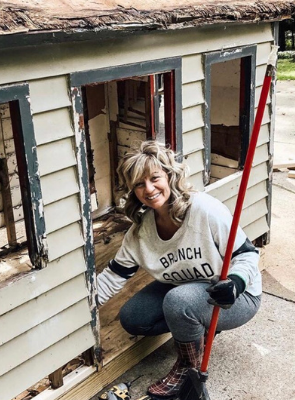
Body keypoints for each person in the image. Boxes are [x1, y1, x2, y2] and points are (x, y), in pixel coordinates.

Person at [97, 140, 262, 398]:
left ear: (170, 176)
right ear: (132, 190)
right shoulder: (140, 232)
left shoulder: (204, 210)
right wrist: (80, 311)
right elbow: (115, 275)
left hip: (236, 296)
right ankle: (199, 327)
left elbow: (248, 255)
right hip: (186, 289)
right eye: (139, 184)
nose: (149, 189)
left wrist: (236, 283)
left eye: (154, 178)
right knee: (133, 317)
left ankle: (187, 369)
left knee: (178, 301)